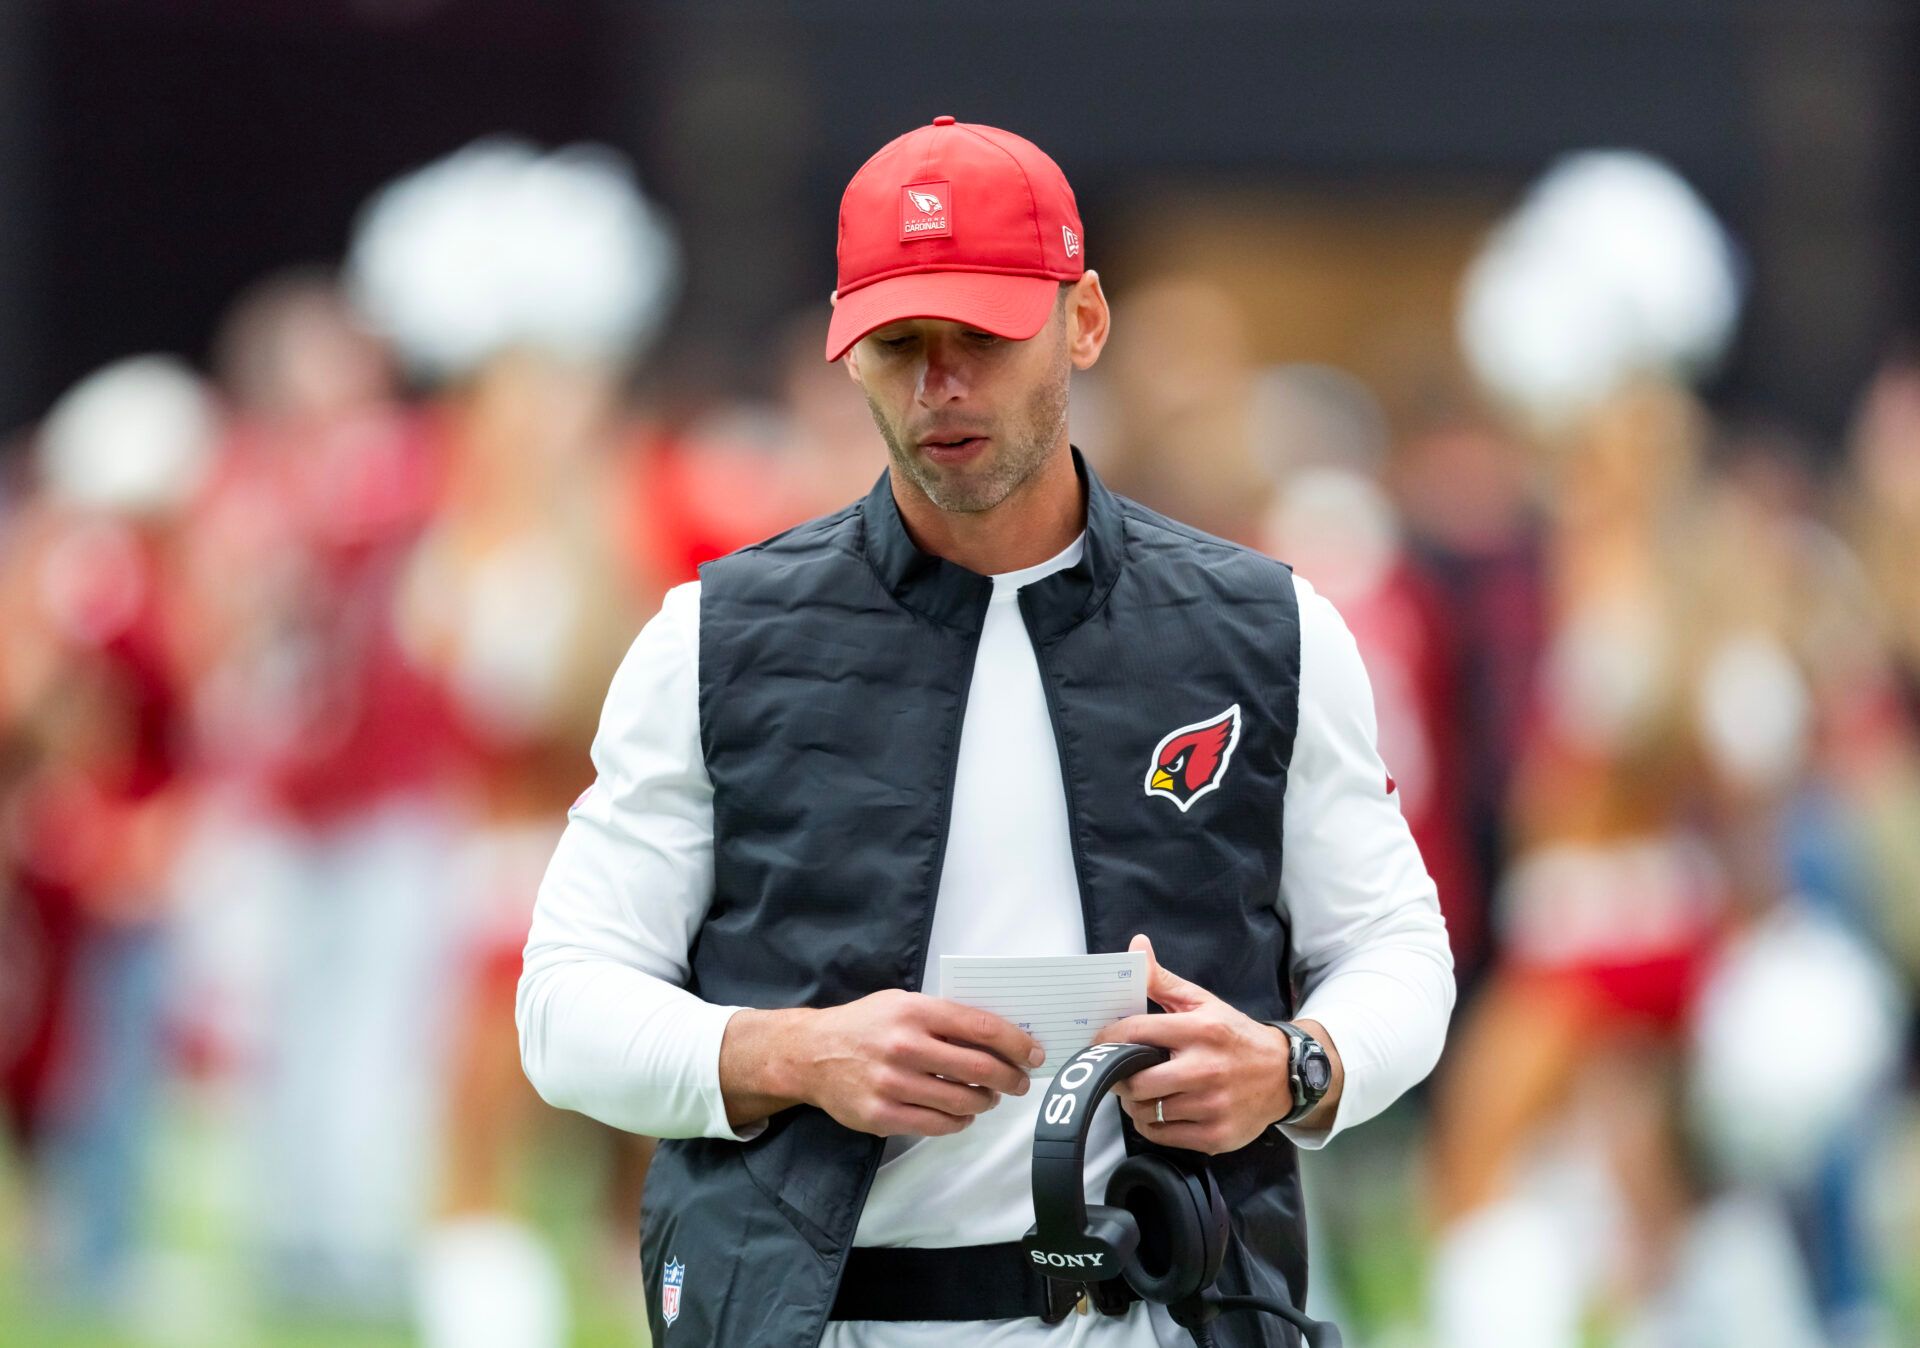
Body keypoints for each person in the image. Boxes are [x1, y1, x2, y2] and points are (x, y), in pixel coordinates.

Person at [517, 117, 1456, 1348]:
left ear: (1084, 320)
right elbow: (565, 1008)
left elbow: (1395, 946)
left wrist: (1294, 1067)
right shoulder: (714, 638)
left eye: (982, 336)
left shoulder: (1264, 626)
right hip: (820, 1320)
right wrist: (794, 1053)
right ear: (845, 353)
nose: (939, 383)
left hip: (1162, 1310)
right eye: (900, 343)